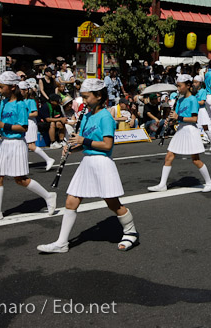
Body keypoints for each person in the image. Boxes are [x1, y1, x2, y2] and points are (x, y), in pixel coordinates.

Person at [37, 78, 138, 253]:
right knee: (71, 201)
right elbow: (83, 144)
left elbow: (107, 145)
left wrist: (84, 140)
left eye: (86, 97)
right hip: (87, 162)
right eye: (82, 97)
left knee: (113, 203)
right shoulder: (86, 115)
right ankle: (62, 243)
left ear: (98, 96)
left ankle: (131, 232)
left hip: (102, 162)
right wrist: (71, 149)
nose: (83, 101)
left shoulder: (106, 116)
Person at [0, 71, 57, 222]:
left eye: (1, 87)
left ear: (13, 87)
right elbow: (0, 124)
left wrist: (3, 125)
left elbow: (23, 128)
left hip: (16, 143)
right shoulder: (3, 103)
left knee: (20, 179)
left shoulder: (21, 105)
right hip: (4, 142)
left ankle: (48, 196)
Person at [148, 75, 211, 193]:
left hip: (191, 130)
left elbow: (194, 119)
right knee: (169, 156)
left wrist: (178, 117)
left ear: (188, 85)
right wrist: (170, 120)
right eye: (177, 86)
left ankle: (209, 182)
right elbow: (177, 118)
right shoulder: (179, 100)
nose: (178, 88)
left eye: (180, 86)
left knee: (195, 160)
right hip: (181, 129)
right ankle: (162, 184)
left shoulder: (193, 99)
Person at [21, 80, 55, 170]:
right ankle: (23, 163)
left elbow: (35, 113)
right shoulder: (21, 101)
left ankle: (48, 159)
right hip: (24, 123)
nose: (20, 92)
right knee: (23, 144)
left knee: (31, 146)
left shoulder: (31, 101)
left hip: (30, 124)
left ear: (26, 91)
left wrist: (24, 115)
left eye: (21, 90)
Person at [194, 75, 211, 152]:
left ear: (200, 83)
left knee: (205, 128)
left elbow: (202, 102)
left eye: (196, 82)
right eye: (194, 82)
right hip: (196, 111)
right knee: (194, 128)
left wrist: (194, 102)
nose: (194, 84)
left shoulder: (203, 91)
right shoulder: (194, 92)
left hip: (201, 110)